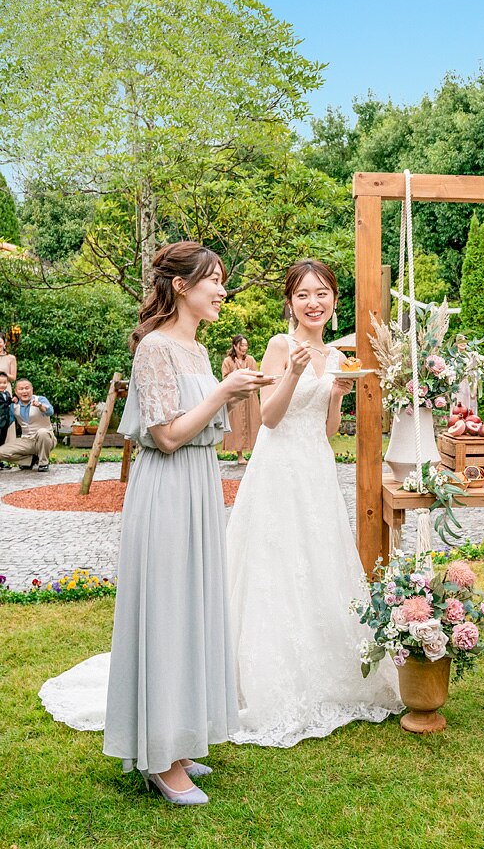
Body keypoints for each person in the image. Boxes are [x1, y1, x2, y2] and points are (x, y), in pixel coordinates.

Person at [39, 242, 273, 806]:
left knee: (191, 607)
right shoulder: (154, 348)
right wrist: (225, 390)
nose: (222, 290)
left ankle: (180, 740)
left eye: (222, 280)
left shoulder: (198, 349)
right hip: (167, 488)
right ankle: (159, 759)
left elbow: (201, 426)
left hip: (199, 485)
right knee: (167, 611)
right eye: (214, 280)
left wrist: (234, 392)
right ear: (181, 286)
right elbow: (166, 435)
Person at [225, 258, 402, 746]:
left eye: (321, 293)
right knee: (276, 563)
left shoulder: (337, 355)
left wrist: (338, 393)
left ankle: (327, 669)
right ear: (290, 302)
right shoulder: (280, 346)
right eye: (303, 294)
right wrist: (293, 373)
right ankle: (267, 675)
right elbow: (269, 418)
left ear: (334, 301)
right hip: (277, 467)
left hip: (315, 466)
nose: (313, 302)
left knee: (318, 560)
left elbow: (327, 429)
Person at [0, 378, 56, 471]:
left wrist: (40, 406)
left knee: (42, 432)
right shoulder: (14, 405)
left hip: (46, 439)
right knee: (1, 452)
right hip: (27, 440)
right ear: (16, 392)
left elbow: (50, 411)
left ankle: (43, 463)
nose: (24, 391)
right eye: (21, 389)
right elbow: (7, 422)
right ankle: (29, 461)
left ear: (32, 389)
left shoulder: (40, 399)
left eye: (27, 388)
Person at [221, 334, 261, 464]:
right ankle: (240, 456)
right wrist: (236, 373)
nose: (244, 348)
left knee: (254, 423)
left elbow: (256, 376)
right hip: (236, 397)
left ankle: (256, 455)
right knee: (237, 425)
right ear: (235, 346)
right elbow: (225, 378)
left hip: (249, 396)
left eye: (246, 345)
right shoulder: (228, 361)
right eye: (241, 345)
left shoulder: (251, 360)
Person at [451, 334, 478, 415]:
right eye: (460, 341)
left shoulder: (472, 356)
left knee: (469, 408)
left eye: (464, 341)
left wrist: (474, 388)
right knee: (457, 407)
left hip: (469, 384)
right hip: (457, 385)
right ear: (456, 343)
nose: (462, 343)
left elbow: (475, 373)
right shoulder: (453, 358)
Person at [0, 371, 13, 451]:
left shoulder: (7, 393)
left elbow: (8, 402)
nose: (2, 385)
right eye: (0, 383)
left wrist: (13, 400)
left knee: (2, 439)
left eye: (4, 383)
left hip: (5, 421)